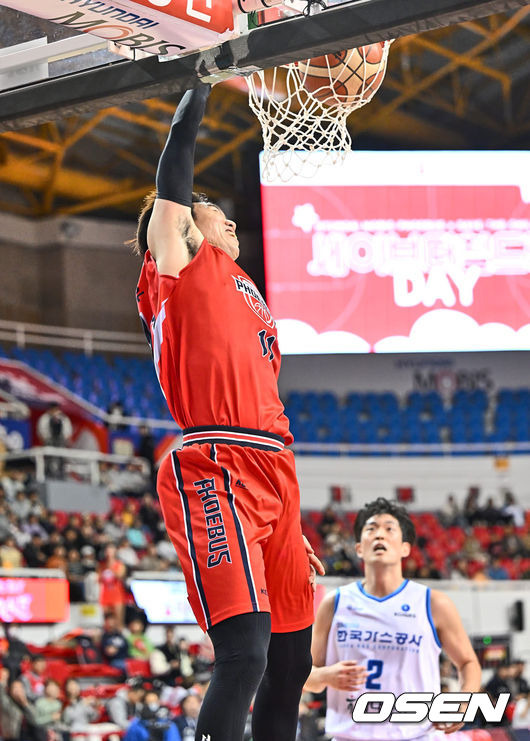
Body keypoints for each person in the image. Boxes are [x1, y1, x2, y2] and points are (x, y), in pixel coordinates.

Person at [133, 83, 324, 741]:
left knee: (292, 660)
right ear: (184, 224)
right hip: (215, 463)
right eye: (211, 210)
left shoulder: (247, 290)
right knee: (245, 651)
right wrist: (198, 90)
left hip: (276, 469)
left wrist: (290, 524)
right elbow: (176, 174)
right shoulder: (177, 264)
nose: (227, 218)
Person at [305, 497, 482, 740]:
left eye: (389, 529)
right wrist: (324, 676)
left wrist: (463, 702)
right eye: (371, 529)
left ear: (405, 548)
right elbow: (305, 675)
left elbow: (468, 663)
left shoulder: (433, 603)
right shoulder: (334, 603)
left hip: (417, 735)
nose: (380, 535)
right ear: (359, 548)